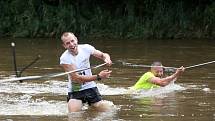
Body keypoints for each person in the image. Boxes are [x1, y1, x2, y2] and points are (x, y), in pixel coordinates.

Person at [60, 32, 112, 112]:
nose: (71, 44)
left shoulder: (86, 48)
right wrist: (98, 76)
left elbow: (103, 55)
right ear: (64, 46)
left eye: (72, 41)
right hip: (75, 90)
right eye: (68, 43)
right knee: (74, 115)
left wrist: (106, 59)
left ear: (76, 40)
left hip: (90, 87)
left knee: (108, 111)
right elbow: (77, 79)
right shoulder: (64, 59)